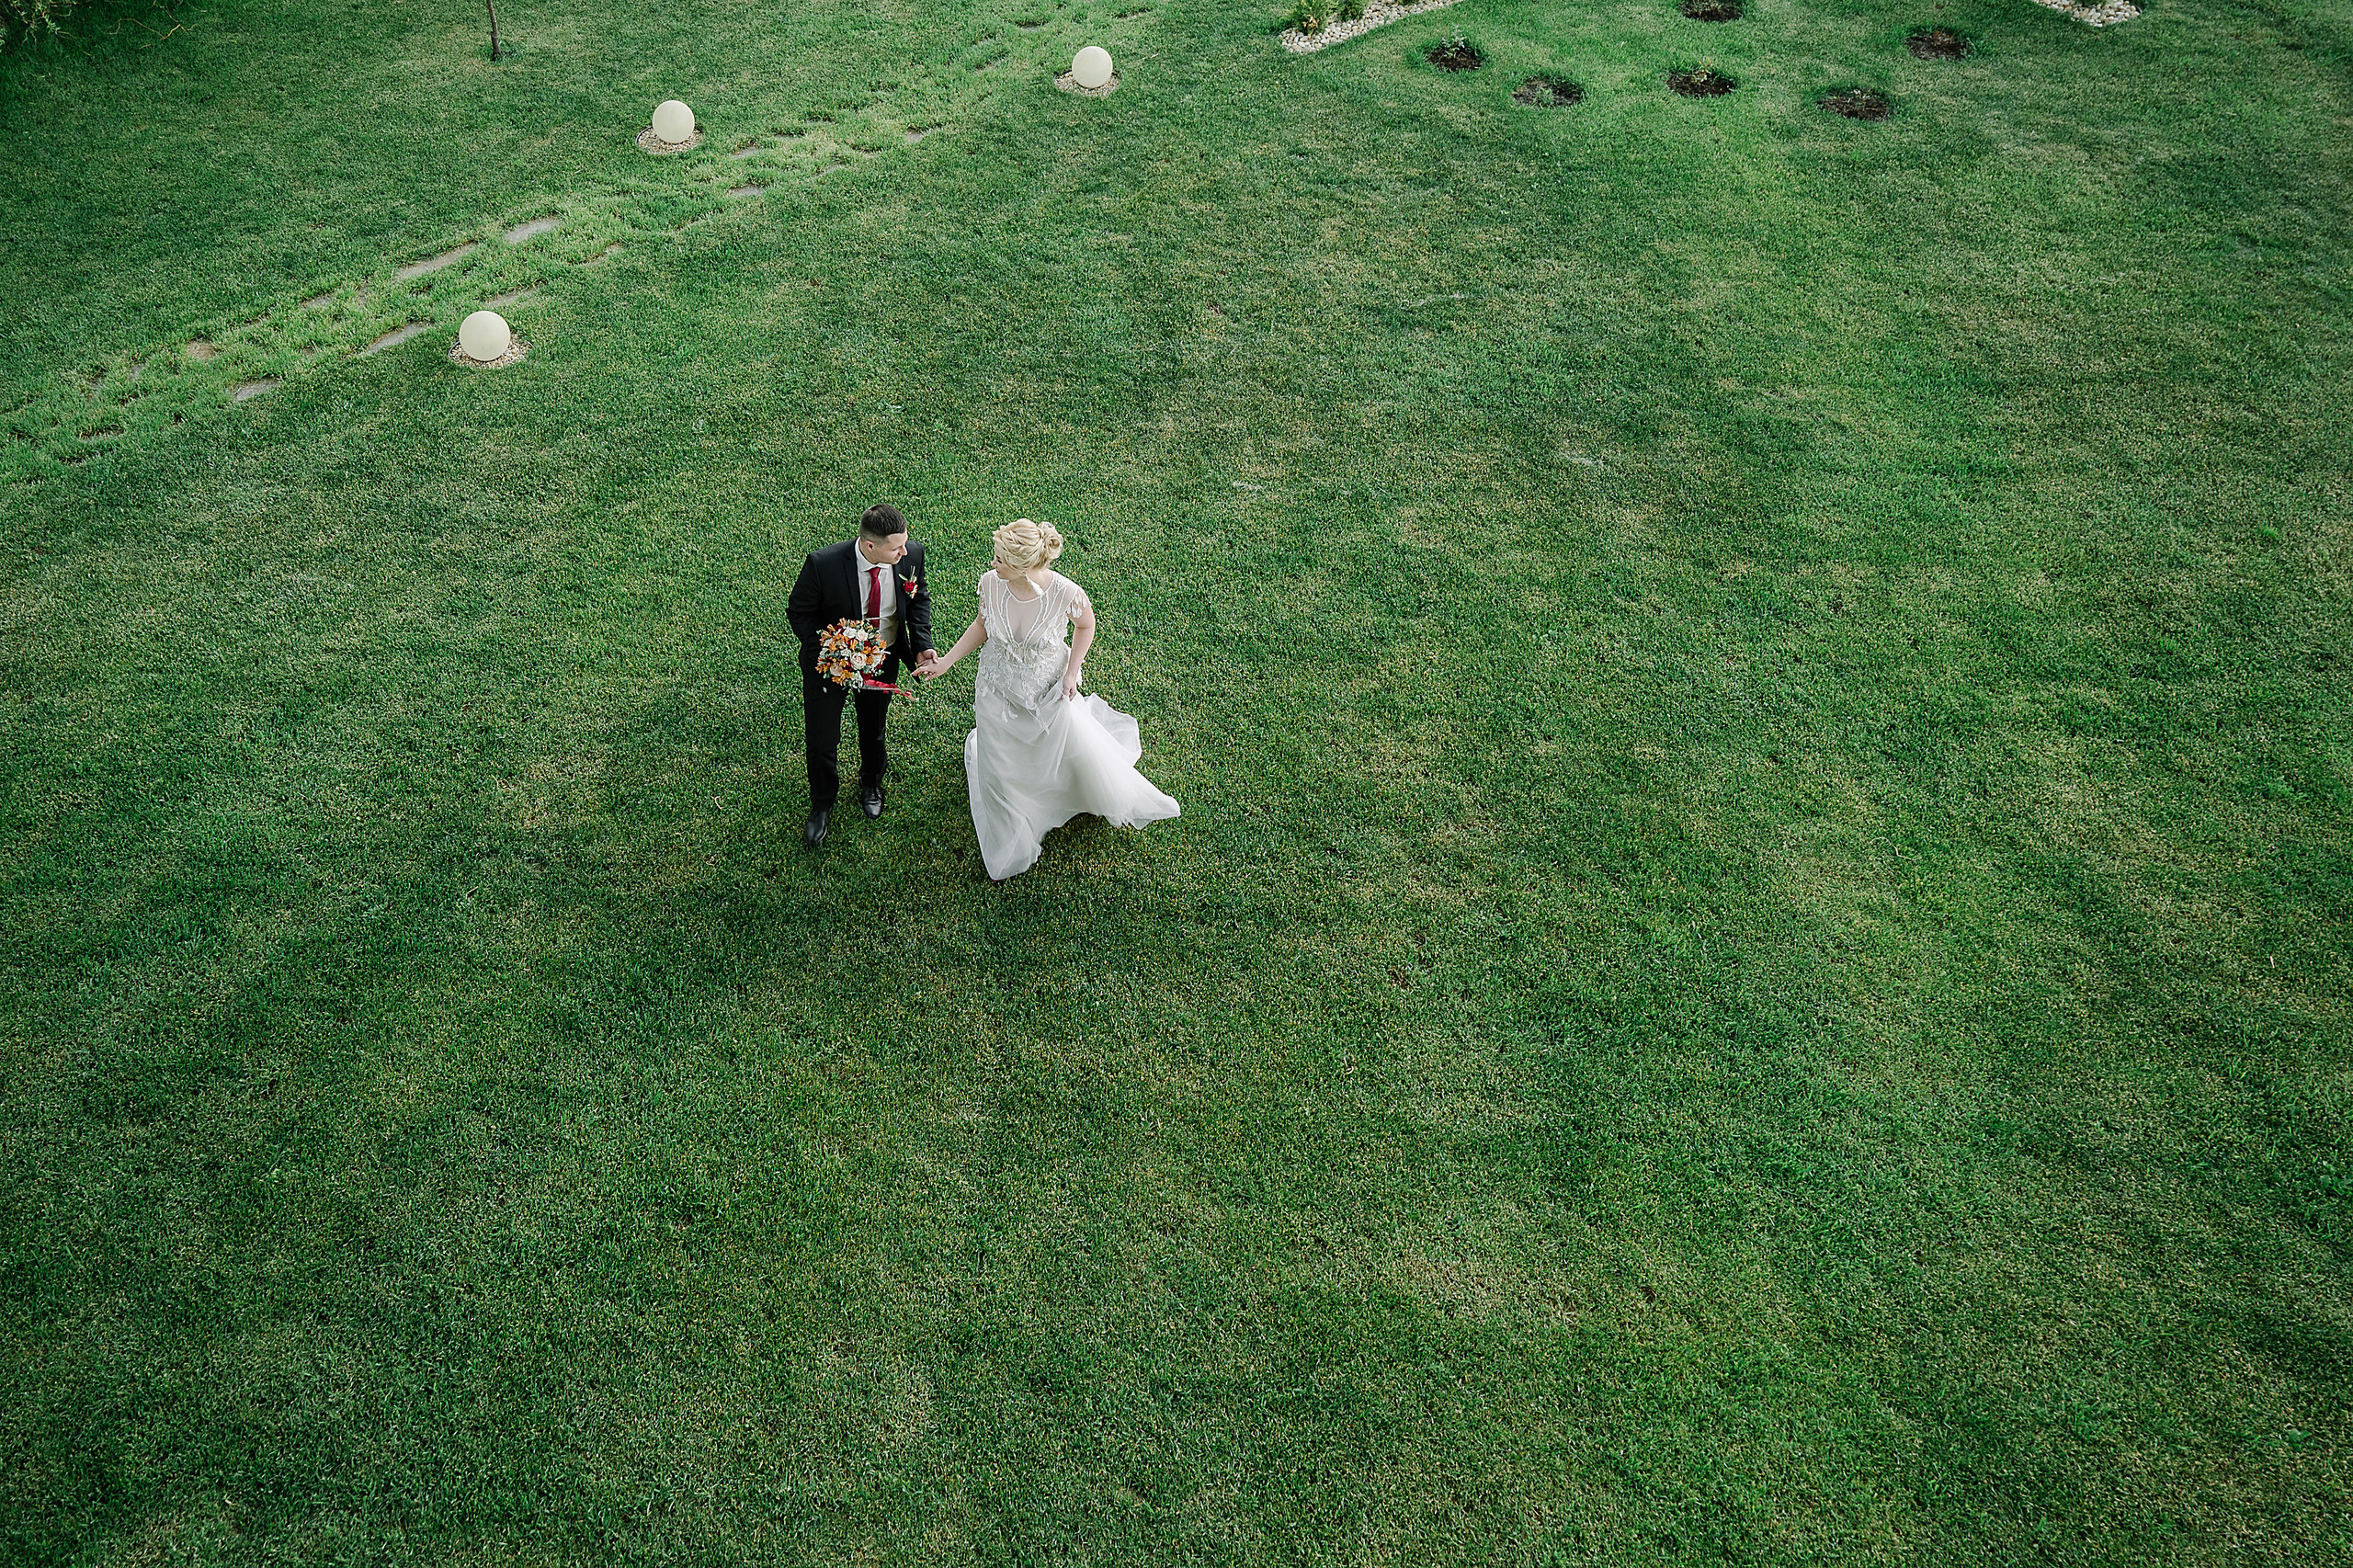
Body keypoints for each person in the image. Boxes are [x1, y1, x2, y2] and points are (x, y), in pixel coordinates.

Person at [917, 518, 1178, 880]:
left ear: (1023, 567)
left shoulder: (1065, 593)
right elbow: (982, 625)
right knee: (999, 754)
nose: (993, 564)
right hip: (997, 687)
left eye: (1000, 560)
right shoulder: (991, 584)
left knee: (1056, 745)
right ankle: (1012, 812)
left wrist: (1072, 673)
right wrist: (946, 661)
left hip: (1046, 687)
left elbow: (1086, 626)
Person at [785, 503, 934, 846]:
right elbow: (799, 612)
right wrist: (830, 650)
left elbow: (918, 598)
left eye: (905, 543)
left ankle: (871, 783)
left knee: (874, 728)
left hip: (884, 658)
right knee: (822, 740)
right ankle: (822, 803)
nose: (903, 552)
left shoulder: (910, 555)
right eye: (895, 547)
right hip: (831, 666)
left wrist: (922, 643)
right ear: (870, 546)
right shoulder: (823, 565)